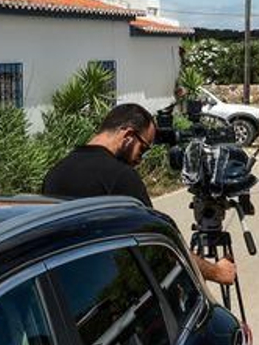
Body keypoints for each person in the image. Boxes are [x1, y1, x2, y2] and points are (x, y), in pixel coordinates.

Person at [42, 103, 236, 286]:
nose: (139, 160)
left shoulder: (55, 172)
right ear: (128, 136)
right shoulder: (120, 176)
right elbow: (159, 247)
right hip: (110, 295)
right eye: (142, 149)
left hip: (68, 297)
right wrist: (218, 273)